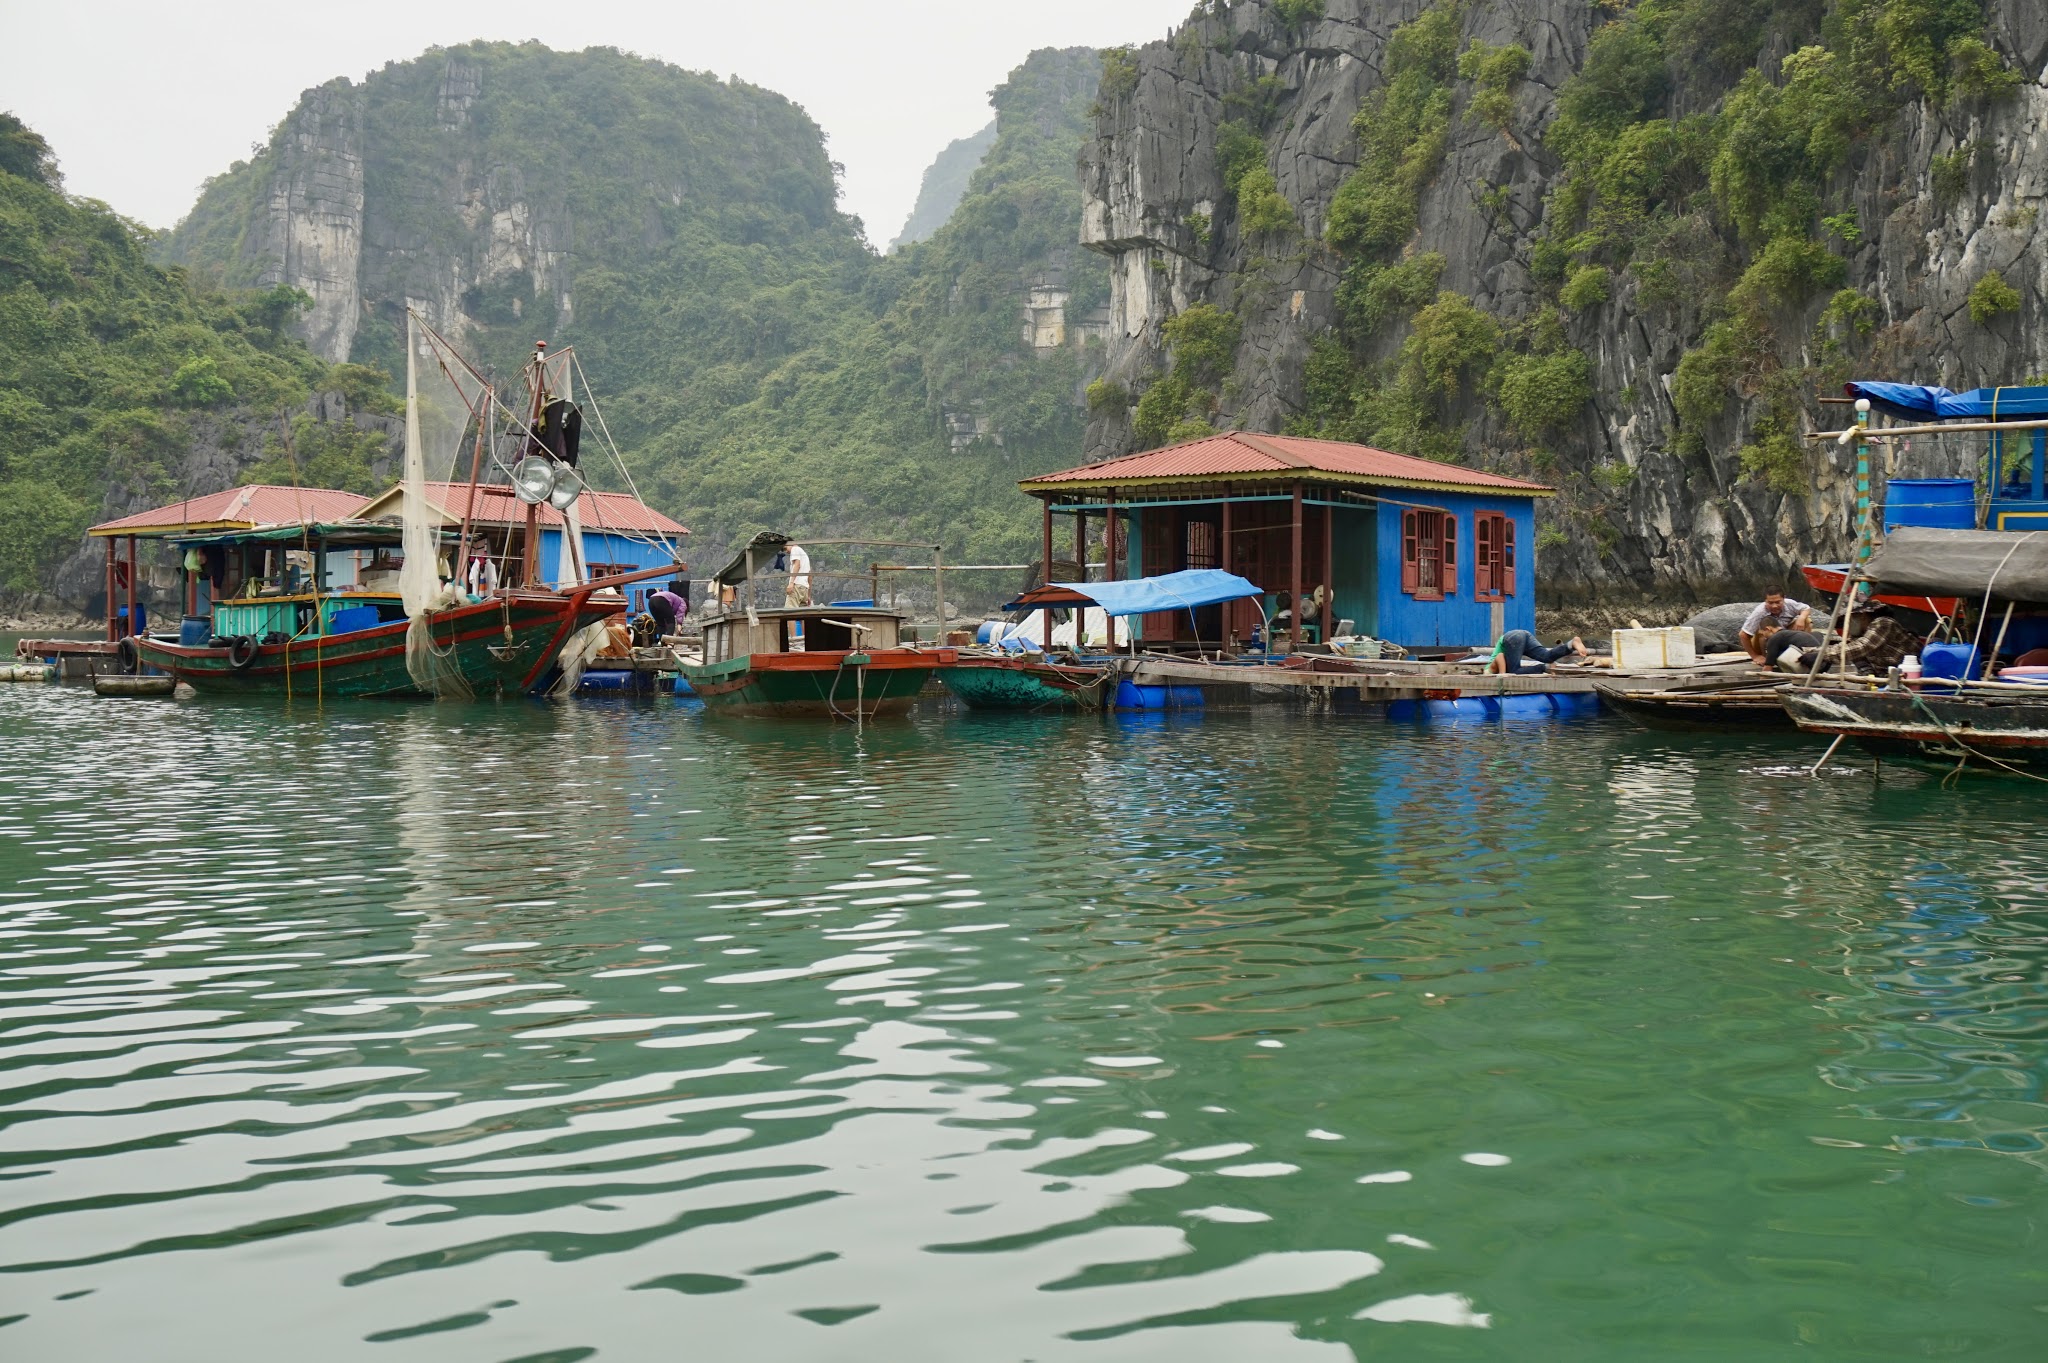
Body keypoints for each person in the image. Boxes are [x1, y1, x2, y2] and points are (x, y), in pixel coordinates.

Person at [1740, 591, 1815, 666]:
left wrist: (1801, 618)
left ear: (1784, 599)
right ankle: (1766, 658)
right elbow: (1743, 635)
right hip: (1766, 639)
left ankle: (1802, 652)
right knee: (1762, 631)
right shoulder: (1759, 612)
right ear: (1765, 601)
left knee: (1807, 621)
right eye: (1770, 603)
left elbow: (1806, 608)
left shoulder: (1790, 604)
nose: (1774, 606)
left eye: (1777, 602)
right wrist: (1755, 656)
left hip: (1783, 634)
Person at [1488, 629, 1589, 674]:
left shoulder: (1488, 669)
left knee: (1513, 671)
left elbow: (1499, 656)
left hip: (1513, 638)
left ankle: (1544, 667)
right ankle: (1571, 644)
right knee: (1546, 656)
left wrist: (1502, 674)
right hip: (1524, 634)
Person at [783, 543, 812, 607]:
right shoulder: (805, 555)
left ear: (790, 543)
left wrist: (791, 583)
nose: (786, 551)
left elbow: (797, 564)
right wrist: (808, 596)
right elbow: (810, 576)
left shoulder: (795, 549)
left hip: (796, 586)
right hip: (804, 588)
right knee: (801, 612)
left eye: (785, 548)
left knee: (789, 611)